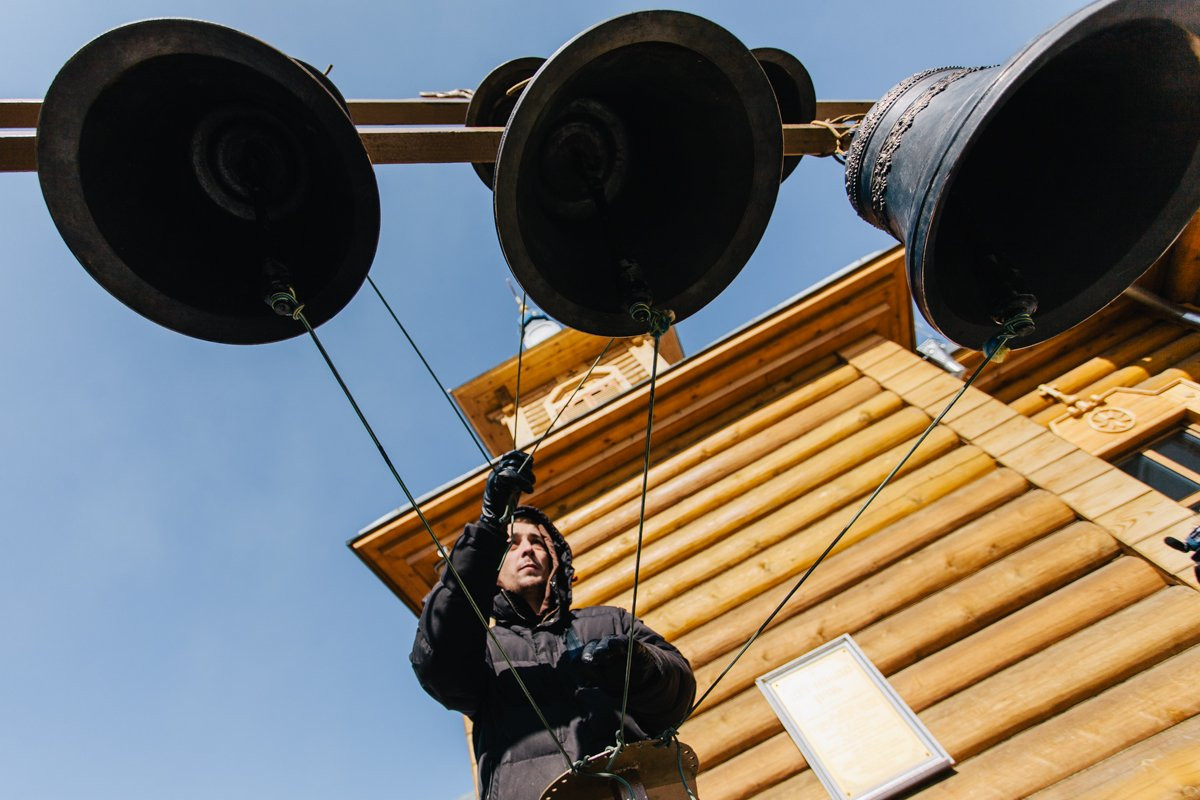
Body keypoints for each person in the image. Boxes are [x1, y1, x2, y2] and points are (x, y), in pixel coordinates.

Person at [411, 450, 696, 800]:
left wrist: (640, 666)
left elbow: (678, 694)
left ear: (556, 561)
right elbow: (438, 660)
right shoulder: (483, 648)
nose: (527, 550)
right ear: (494, 571)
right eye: (512, 544)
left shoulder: (611, 622)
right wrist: (488, 529)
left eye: (537, 542)